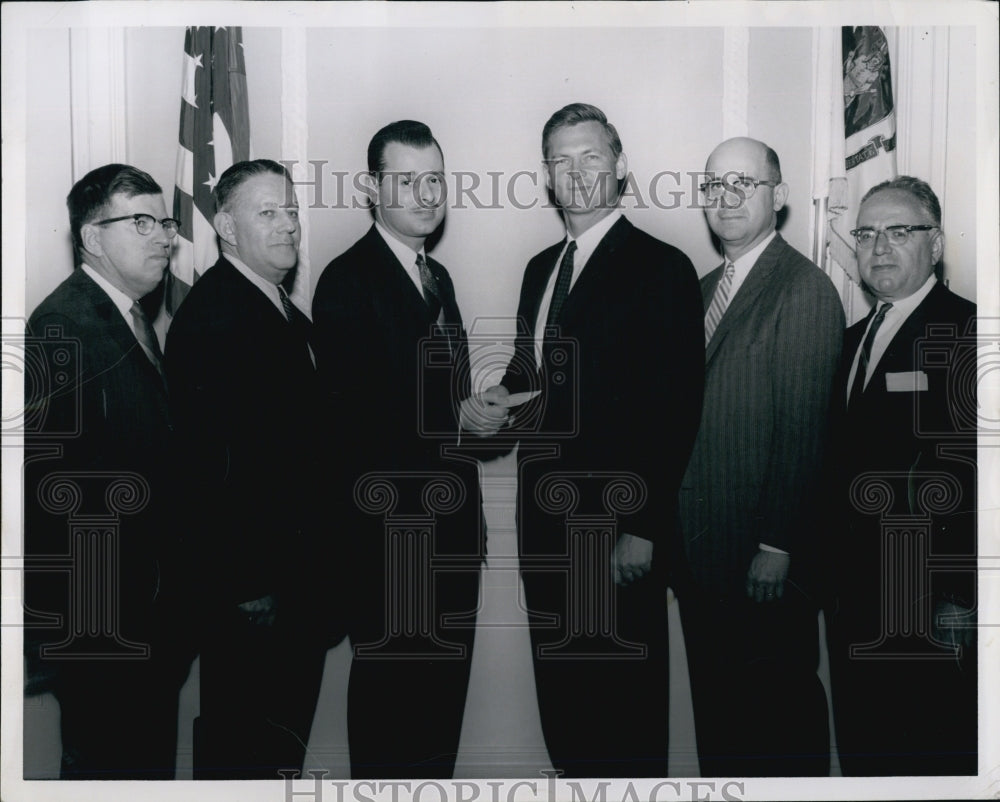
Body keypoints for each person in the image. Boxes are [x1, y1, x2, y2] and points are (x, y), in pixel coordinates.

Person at [478, 103, 704, 777]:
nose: (576, 172)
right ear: (546, 176)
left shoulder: (661, 267)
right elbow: (533, 375)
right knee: (567, 716)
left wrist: (644, 526)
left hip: (615, 537)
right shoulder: (540, 268)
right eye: (561, 160)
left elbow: (676, 409)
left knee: (625, 724)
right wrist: (495, 400)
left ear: (621, 165)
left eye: (591, 156)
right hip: (544, 531)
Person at [312, 121, 483, 779]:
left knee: (437, 731)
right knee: (392, 730)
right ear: (371, 189)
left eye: (434, 178)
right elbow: (357, 432)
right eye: (406, 180)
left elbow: (437, 409)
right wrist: (457, 418)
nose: (425, 193)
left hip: (451, 542)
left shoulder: (434, 275)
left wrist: (475, 416)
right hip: (390, 551)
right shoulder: (348, 281)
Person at [677, 137, 844, 776]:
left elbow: (804, 434)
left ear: (779, 196)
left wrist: (777, 544)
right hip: (705, 555)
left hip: (762, 564)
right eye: (714, 185)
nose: (726, 198)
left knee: (777, 732)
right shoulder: (701, 290)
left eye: (743, 183)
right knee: (722, 735)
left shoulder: (802, 289)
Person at [23, 163, 190, 779]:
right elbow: (54, 492)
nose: (164, 237)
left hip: (147, 619)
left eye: (165, 221)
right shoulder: (63, 325)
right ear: (93, 238)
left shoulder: (128, 316)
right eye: (141, 222)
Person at [165, 159, 327, 779]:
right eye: (268, 213)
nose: (288, 225)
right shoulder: (215, 318)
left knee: (276, 750)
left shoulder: (280, 310)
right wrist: (246, 581)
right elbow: (205, 469)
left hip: (290, 586)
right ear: (227, 229)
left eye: (290, 211)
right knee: (244, 753)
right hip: (252, 596)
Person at [826, 176, 977, 775]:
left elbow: (974, 476)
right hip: (853, 601)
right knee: (867, 758)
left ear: (935, 245)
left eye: (899, 231)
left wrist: (960, 596)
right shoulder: (850, 341)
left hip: (926, 604)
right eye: (866, 234)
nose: (879, 247)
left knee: (928, 763)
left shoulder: (966, 332)